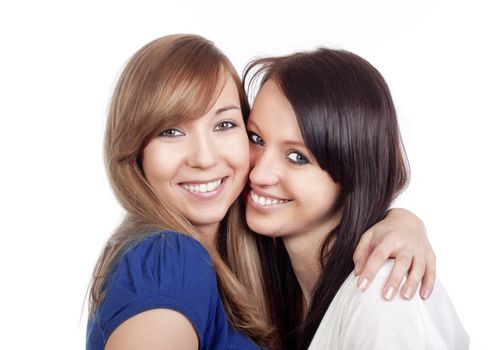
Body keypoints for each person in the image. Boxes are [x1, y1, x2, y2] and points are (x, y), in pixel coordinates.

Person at [87, 34, 437, 350]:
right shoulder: (171, 259)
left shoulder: (257, 265)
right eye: (171, 131)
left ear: (353, 175)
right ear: (136, 151)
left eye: (225, 125)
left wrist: (402, 220)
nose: (206, 158)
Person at [244, 49, 469, 349]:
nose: (259, 174)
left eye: (297, 157)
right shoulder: (271, 274)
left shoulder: (382, 295)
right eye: (256, 139)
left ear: (352, 172)